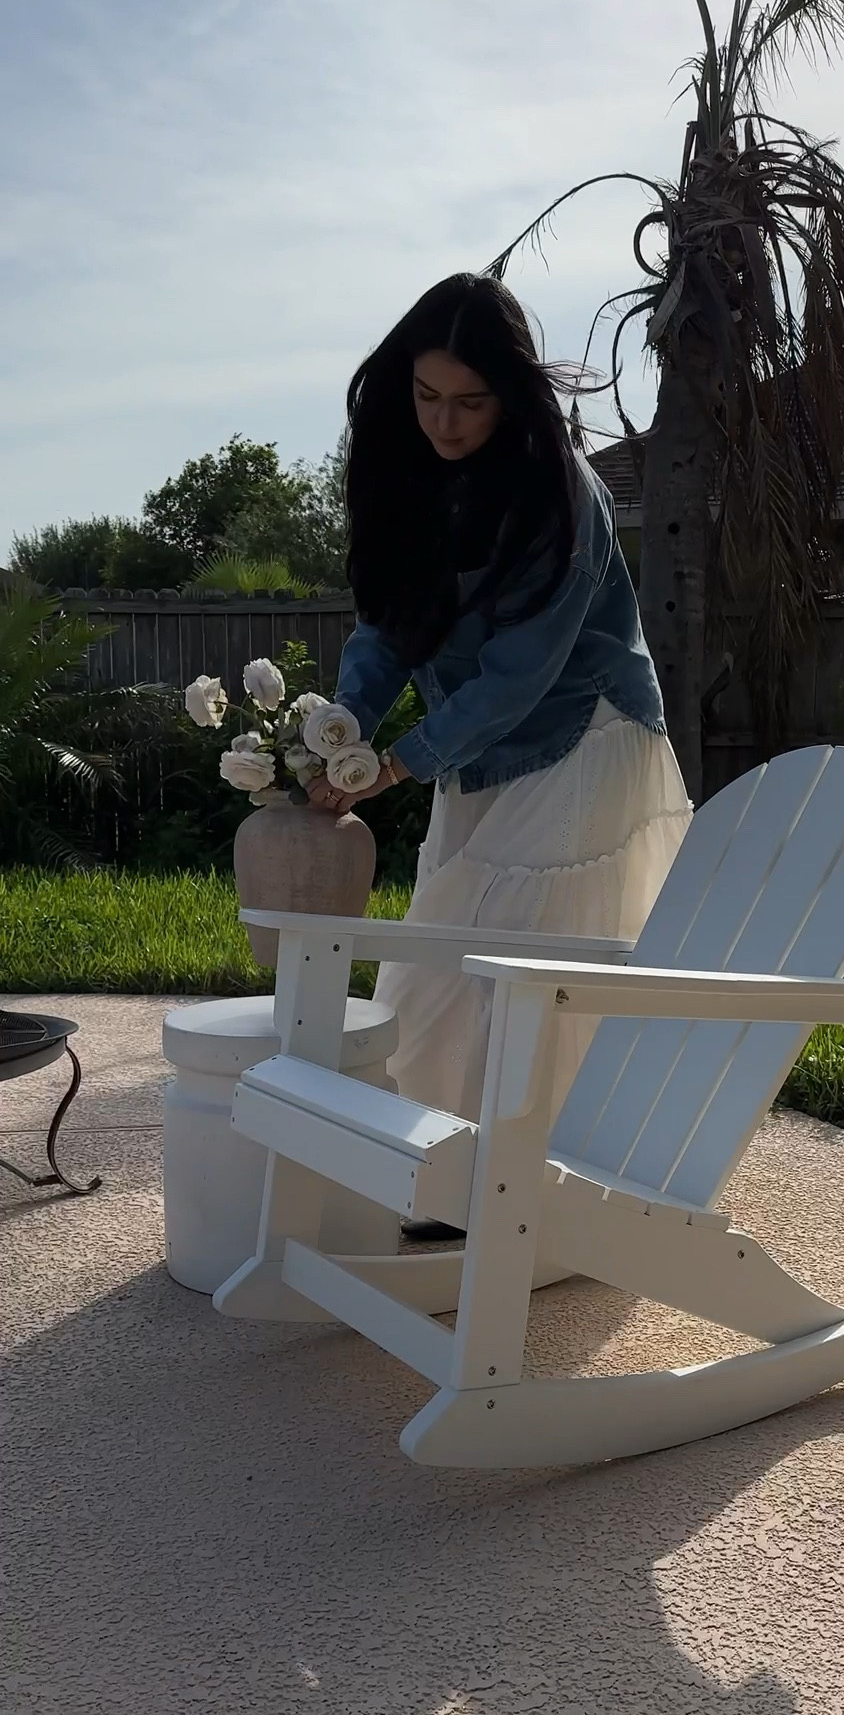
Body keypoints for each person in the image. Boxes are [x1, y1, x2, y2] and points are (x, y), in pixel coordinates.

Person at [307, 272, 692, 1207]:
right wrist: (341, 728)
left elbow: (519, 675)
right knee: (445, 959)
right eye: (427, 397)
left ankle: (527, 1189)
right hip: (481, 747)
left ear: (512, 396)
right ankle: (433, 1176)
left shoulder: (565, 498)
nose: (445, 422)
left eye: (470, 402)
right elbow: (389, 630)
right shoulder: (416, 482)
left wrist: (396, 763)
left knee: (515, 969)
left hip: (581, 738)